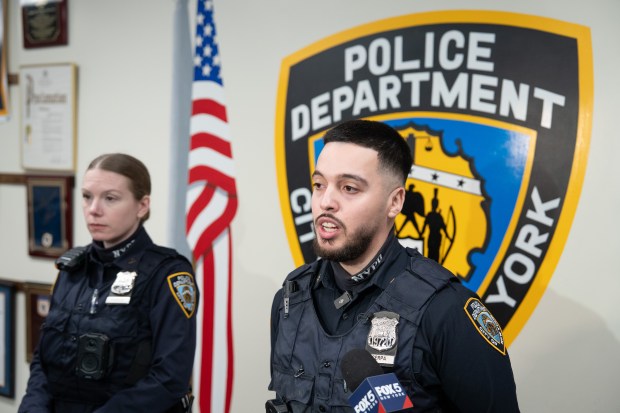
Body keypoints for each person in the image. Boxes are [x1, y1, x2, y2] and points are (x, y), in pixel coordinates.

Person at [269, 120, 519, 412]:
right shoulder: (290, 302)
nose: (326, 202)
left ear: (395, 202)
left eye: (349, 188)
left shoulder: (446, 311)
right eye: (319, 185)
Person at [19, 153, 199, 413]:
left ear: (142, 206)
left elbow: (169, 378)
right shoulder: (71, 269)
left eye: (110, 198)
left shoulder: (168, 274)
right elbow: (43, 362)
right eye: (87, 196)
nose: (94, 209)